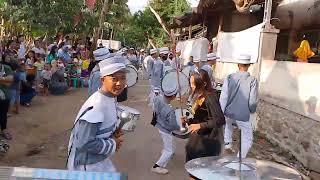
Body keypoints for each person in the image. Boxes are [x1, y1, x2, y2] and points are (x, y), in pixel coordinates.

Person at [67, 56, 128, 172]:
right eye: (114, 79)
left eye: (123, 78)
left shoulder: (110, 98)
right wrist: (113, 143)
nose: (119, 83)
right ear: (102, 80)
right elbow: (84, 143)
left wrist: (113, 133)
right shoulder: (97, 106)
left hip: (99, 160)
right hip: (87, 166)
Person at [184, 69, 225, 179]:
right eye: (190, 83)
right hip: (197, 141)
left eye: (194, 84)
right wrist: (188, 121)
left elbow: (220, 120)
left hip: (208, 142)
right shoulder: (198, 95)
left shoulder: (210, 97)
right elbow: (200, 117)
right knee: (192, 171)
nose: (192, 87)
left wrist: (199, 126)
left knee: (201, 173)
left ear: (204, 83)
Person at [219, 54, 258, 158]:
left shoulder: (229, 78)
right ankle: (240, 158)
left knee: (228, 124)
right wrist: (252, 111)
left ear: (238, 65)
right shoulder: (252, 80)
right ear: (249, 65)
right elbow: (252, 101)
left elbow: (224, 96)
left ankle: (228, 143)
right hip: (243, 114)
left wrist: (221, 112)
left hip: (229, 111)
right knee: (247, 138)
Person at [151, 85, 181, 175]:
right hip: (166, 130)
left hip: (159, 125)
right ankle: (157, 166)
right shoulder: (169, 110)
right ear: (173, 96)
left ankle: (167, 150)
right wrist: (180, 128)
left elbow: (154, 102)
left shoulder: (158, 99)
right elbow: (173, 125)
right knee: (169, 150)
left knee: (169, 144)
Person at [0, 61, 13, 140]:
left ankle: (4, 130)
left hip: (5, 95)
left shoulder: (6, 67)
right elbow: (7, 81)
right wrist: (4, 79)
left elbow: (10, 82)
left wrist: (5, 80)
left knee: (3, 114)